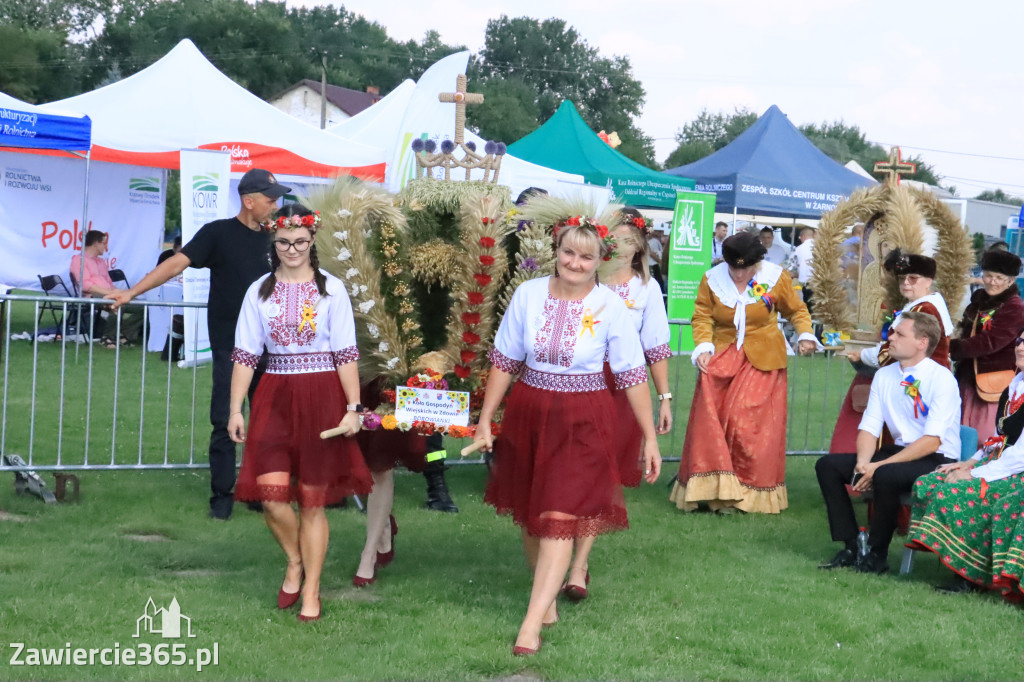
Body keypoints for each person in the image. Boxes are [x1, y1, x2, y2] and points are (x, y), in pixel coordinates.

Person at [476, 218, 661, 656]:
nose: (575, 263)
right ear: (556, 251)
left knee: (559, 517)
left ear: (600, 261)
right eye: (569, 253)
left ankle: (530, 621)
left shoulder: (610, 306)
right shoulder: (528, 294)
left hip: (584, 418)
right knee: (531, 511)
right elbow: (505, 359)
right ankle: (547, 595)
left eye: (586, 256)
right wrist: (486, 419)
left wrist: (650, 438)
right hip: (530, 410)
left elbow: (633, 374)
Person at [110, 167, 287, 520]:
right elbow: (177, 264)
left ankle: (257, 492)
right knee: (224, 420)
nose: (276, 205)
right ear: (248, 201)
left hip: (273, 346)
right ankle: (222, 498)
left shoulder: (277, 239)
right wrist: (132, 292)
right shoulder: (217, 233)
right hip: (231, 346)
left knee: (268, 422)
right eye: (270, 199)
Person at [228, 206, 372, 622]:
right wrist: (235, 408)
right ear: (273, 243)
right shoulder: (259, 290)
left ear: (313, 243)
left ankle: (311, 590)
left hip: (323, 392)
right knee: (271, 498)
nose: (292, 250)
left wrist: (353, 408)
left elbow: (346, 352)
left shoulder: (333, 290)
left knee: (312, 500)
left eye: (301, 242)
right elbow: (245, 353)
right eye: (284, 242)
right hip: (275, 393)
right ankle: (295, 559)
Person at [561, 207, 672, 602]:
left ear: (640, 246)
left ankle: (579, 564)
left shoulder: (647, 289)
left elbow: (656, 345)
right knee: (569, 467)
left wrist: (664, 398)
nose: (621, 247)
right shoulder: (586, 282)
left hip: (624, 390)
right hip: (578, 383)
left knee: (600, 474)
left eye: (630, 240)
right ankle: (559, 544)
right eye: (616, 239)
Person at [670, 232, 815, 514]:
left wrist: (806, 334)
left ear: (757, 263)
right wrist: (702, 345)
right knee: (711, 423)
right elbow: (701, 314)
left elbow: (796, 310)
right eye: (733, 268)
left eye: (745, 268)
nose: (738, 274)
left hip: (764, 357)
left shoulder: (776, 277)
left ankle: (747, 494)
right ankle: (713, 493)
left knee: (744, 423)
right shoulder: (711, 279)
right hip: (722, 357)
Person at [816, 311, 961, 574]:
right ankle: (851, 546)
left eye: (899, 334)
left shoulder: (942, 379)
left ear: (922, 342)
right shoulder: (884, 376)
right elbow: (869, 428)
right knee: (828, 465)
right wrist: (863, 463)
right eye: (892, 332)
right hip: (899, 453)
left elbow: (931, 442)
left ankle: (877, 555)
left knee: (886, 474)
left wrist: (877, 467)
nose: (890, 338)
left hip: (938, 458)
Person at [907, 328, 1024, 594]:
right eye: (1020, 340)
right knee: (928, 483)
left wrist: (977, 475)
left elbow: (1020, 456)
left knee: (957, 494)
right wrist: (969, 463)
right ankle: (954, 564)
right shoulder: (1014, 386)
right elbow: (998, 438)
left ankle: (972, 577)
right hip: (997, 464)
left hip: (1017, 473)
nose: (1020, 347)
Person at [829, 251, 953, 453]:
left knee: (910, 436)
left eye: (913, 278)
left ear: (928, 281)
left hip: (921, 383)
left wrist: (862, 355)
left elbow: (893, 350)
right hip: (918, 377)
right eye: (903, 278)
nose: (906, 283)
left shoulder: (924, 309)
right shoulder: (922, 304)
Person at [949, 249, 1024, 438]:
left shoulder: (1015, 307)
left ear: (1011, 280)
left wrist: (950, 348)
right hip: (968, 377)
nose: (992, 281)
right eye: (988, 275)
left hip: (992, 381)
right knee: (959, 431)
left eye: (999, 277)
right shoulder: (979, 301)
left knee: (983, 436)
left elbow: (990, 342)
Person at [70, 230, 141, 347]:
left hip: (107, 294)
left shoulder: (101, 262)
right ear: (96, 244)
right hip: (91, 296)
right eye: (104, 243)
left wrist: (116, 291)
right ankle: (107, 337)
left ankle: (124, 334)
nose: (105, 246)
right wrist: (110, 293)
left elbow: (108, 282)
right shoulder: (79, 260)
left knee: (143, 307)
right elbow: (85, 285)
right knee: (117, 303)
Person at [791, 227, 816, 306]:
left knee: (808, 308)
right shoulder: (821, 248)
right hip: (821, 283)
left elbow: (791, 267)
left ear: (803, 236)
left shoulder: (798, 249)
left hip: (806, 284)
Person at [647, 225, 665, 292]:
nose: (662, 234)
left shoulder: (652, 241)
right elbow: (652, 254)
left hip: (651, 266)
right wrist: (660, 261)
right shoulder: (655, 242)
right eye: (661, 232)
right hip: (654, 266)